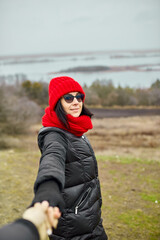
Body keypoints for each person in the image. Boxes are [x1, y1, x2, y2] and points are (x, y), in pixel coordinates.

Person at [31, 76, 108, 240]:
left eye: (79, 96)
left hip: (89, 219)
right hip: (72, 226)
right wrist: (47, 191)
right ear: (58, 103)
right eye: (68, 98)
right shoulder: (54, 135)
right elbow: (52, 160)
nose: (76, 102)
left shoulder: (75, 129)